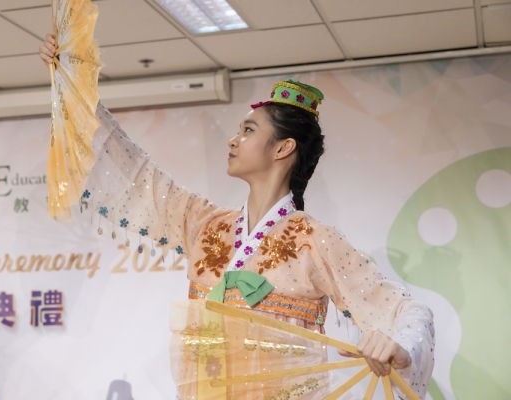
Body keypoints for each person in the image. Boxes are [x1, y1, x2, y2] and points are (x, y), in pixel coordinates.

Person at [40, 34, 435, 399]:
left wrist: (399, 346)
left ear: (282, 149)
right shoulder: (205, 224)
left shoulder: (314, 241)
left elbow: (409, 311)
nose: (233, 140)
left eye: (247, 130)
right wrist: (73, 86)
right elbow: (137, 174)